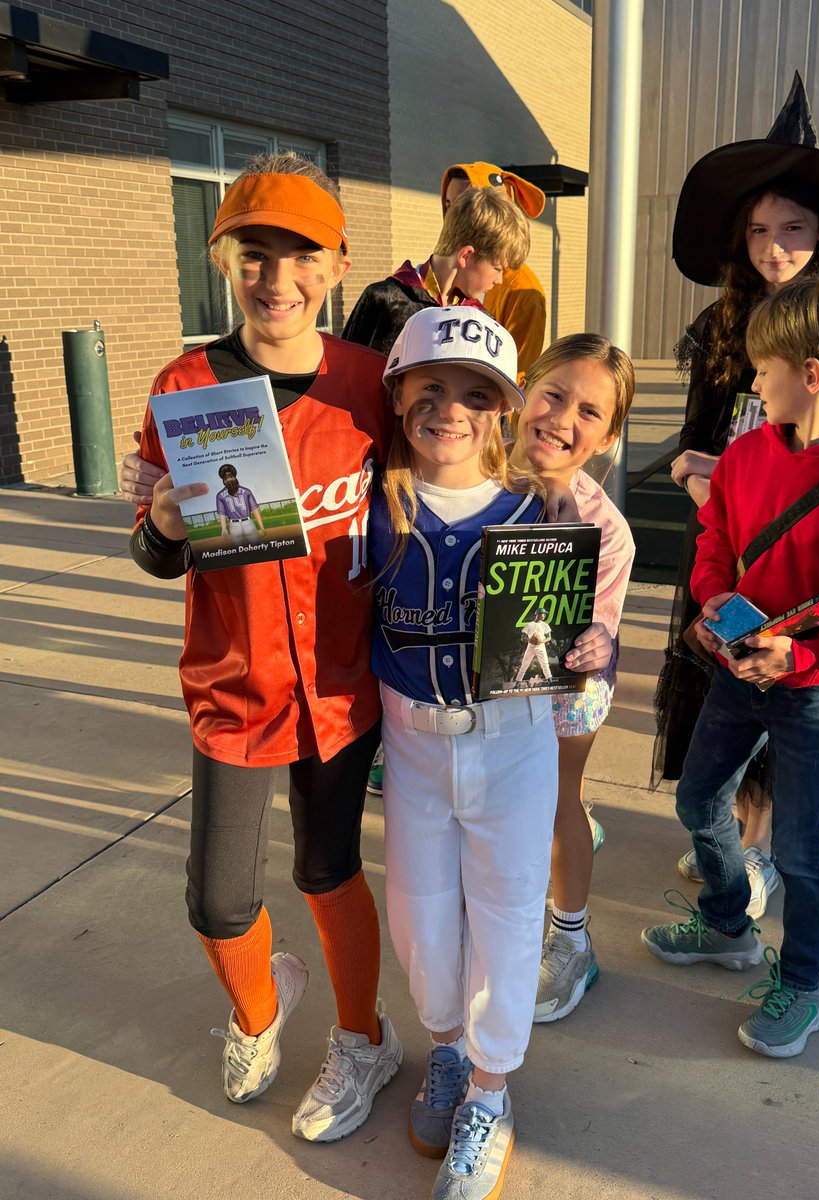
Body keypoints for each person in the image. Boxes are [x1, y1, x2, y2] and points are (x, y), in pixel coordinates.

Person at [121, 152, 405, 1142]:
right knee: (217, 899)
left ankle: (364, 1037)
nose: (277, 278)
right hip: (235, 685)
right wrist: (162, 523)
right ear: (224, 260)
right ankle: (259, 1010)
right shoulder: (184, 386)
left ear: (337, 264)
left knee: (328, 869)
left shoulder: (370, 384)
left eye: (302, 255)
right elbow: (154, 551)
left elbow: (438, 490)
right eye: (254, 254)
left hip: (339, 686)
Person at [369, 306, 610, 1200]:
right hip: (412, 739)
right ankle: (445, 1050)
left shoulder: (542, 509)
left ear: (504, 409)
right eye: (430, 389)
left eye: (478, 395)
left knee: (507, 914)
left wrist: (597, 650)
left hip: (511, 741)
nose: (452, 410)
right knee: (421, 914)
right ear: (399, 395)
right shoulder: (373, 501)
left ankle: (490, 1090)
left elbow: (584, 637)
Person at [641, 271, 819, 1058]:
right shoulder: (748, 452)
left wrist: (808, 653)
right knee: (698, 801)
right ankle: (728, 924)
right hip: (734, 673)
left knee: (800, 850)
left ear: (811, 375)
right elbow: (717, 535)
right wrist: (713, 593)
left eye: (763, 369)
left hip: (810, 693)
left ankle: (806, 985)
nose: (754, 383)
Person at [652, 72, 819, 919]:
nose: (774, 248)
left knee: (795, 701)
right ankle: (726, 832)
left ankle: (761, 846)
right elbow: (698, 434)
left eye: (792, 228)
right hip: (732, 533)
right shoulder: (722, 326)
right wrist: (701, 471)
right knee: (724, 690)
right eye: (758, 230)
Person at [507, 334, 636, 1022]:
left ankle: (572, 938)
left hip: (564, 689)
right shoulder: (467, 476)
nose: (561, 419)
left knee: (560, 800)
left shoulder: (607, 529)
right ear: (523, 390)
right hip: (476, 686)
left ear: (610, 436)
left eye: (589, 412)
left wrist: (593, 641)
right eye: (553, 395)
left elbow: (600, 627)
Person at [341, 186, 530, 355]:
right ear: (465, 256)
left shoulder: (481, 323)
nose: (499, 280)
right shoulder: (384, 300)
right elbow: (344, 371)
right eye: (498, 268)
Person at [440, 161, 547, 376]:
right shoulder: (440, 275)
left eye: (463, 203)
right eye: (449, 203)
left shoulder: (523, 293)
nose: (452, 214)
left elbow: (518, 374)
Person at [215, 464, 264, 544]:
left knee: (240, 550)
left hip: (234, 527)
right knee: (255, 548)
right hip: (248, 523)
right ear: (234, 477)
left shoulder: (220, 495)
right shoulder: (246, 491)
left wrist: (224, 529)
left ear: (223, 480)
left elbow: (222, 514)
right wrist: (261, 527)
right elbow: (255, 509)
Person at [516, 607, 553, 683]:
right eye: (543, 614)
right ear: (538, 614)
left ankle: (550, 681)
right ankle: (518, 682)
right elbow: (522, 637)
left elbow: (549, 637)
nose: (545, 615)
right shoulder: (529, 625)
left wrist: (542, 641)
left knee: (545, 665)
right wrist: (529, 640)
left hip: (540, 646)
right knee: (524, 665)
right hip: (531, 646)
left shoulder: (545, 625)